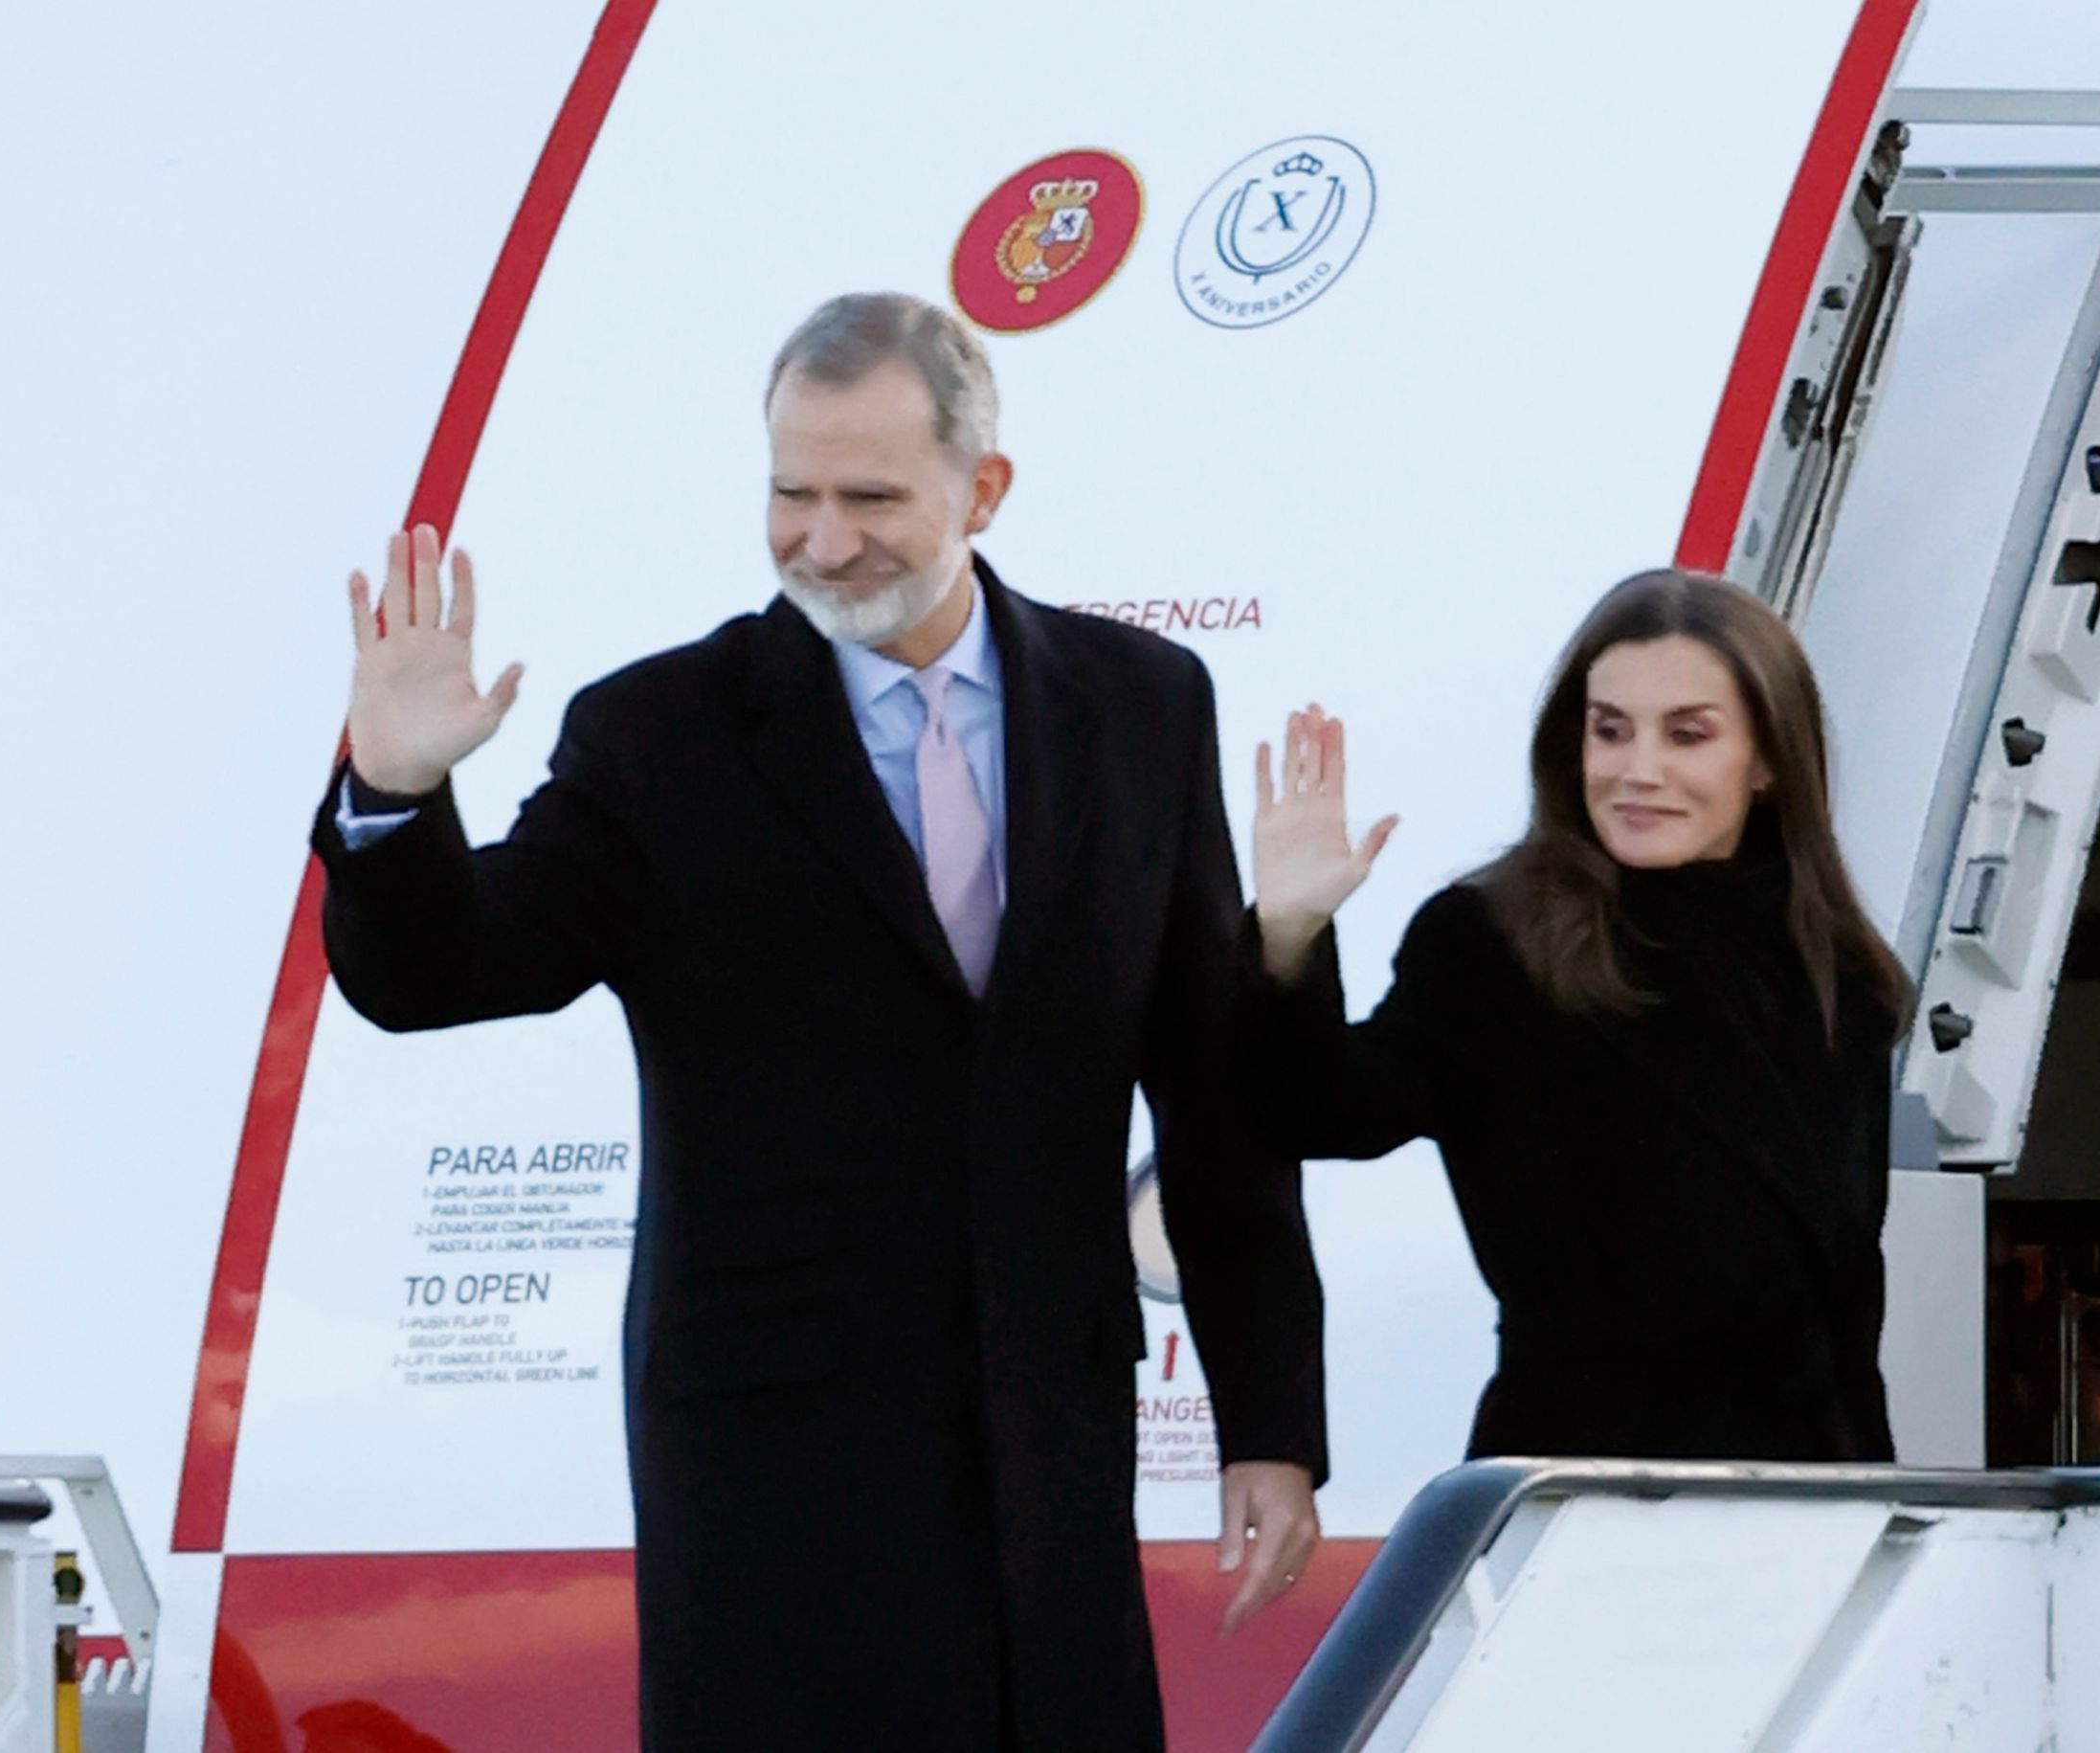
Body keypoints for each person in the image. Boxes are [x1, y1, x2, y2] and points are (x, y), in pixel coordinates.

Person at [311, 292, 1325, 1751]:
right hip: (773, 1488)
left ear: (983, 488)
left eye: (869, 497)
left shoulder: (1141, 704)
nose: (823, 540)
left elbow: (1215, 1089)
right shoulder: (660, 732)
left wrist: (1270, 1421)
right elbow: (443, 973)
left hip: (1046, 1465)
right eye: (790, 492)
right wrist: (395, 798)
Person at [1244, 569, 1911, 1463]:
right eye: (1609, 730)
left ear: (1765, 760)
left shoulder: (1841, 969)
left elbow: (1843, 1301)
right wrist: (1289, 934)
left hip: (1809, 1503)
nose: (1639, 770)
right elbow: (1322, 1110)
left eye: (1687, 734)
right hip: (1588, 1490)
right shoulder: (1495, 940)